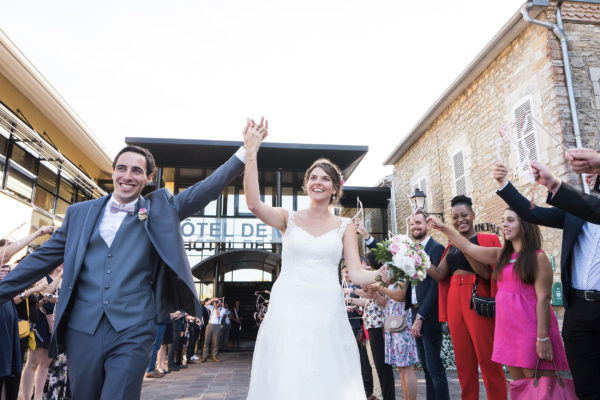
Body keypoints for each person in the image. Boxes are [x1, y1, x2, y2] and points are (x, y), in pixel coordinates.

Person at [0, 131, 252, 400]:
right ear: (113, 172)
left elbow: (205, 190)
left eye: (136, 170)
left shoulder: (159, 209)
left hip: (133, 328)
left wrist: (244, 153)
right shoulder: (79, 214)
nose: (127, 176)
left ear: (148, 178)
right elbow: (40, 260)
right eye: (121, 168)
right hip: (82, 328)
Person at [243, 118, 388, 399]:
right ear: (306, 185)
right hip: (289, 306)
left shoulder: (346, 227)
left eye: (325, 178)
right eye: (313, 177)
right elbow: (253, 204)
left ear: (335, 188)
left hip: (326, 308)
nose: (317, 182)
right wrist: (251, 153)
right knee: (288, 371)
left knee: (325, 374)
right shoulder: (289, 218)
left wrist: (386, 275)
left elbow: (356, 274)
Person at [493, 161, 599, 399]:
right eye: (589, 171)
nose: (591, 175)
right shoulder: (576, 212)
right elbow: (533, 213)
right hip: (580, 310)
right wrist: (504, 184)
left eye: (597, 169)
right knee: (585, 386)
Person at [429, 209, 570, 380]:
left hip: (531, 331)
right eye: (503, 220)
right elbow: (467, 246)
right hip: (507, 331)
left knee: (541, 390)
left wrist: (543, 338)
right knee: (520, 389)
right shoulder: (501, 255)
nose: (504, 224)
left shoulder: (538, 257)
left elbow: (543, 299)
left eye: (510, 220)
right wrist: (443, 227)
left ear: (524, 225)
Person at [358, 213, 450, 400]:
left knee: (435, 369)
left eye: (418, 222)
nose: (414, 226)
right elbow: (387, 253)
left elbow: (435, 288)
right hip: (415, 311)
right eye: (411, 223)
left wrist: (421, 316)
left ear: (428, 225)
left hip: (428, 315)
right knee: (426, 370)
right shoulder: (411, 250)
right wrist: (367, 237)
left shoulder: (436, 248)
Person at [426, 195, 507, 400]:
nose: (460, 220)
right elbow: (439, 275)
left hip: (476, 295)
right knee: (463, 361)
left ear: (472, 215)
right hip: (454, 298)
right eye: (455, 217)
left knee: (487, 358)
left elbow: (486, 273)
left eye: (464, 215)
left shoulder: (487, 239)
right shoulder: (451, 245)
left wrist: (463, 244)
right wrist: (415, 259)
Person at [18, 268, 63, 400]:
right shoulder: (43, 274)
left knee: (45, 364)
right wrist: (60, 275)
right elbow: (45, 293)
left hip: (55, 321)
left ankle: (37, 397)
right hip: (41, 320)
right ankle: (26, 397)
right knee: (33, 362)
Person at [201, 297, 223, 362]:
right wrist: (213, 299)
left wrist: (216, 308)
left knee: (216, 342)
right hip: (210, 325)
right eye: (217, 302)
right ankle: (204, 357)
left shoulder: (223, 309)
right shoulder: (212, 308)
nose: (217, 303)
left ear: (221, 303)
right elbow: (205, 304)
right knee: (206, 341)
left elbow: (218, 316)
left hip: (217, 326)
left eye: (218, 302)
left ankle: (214, 356)